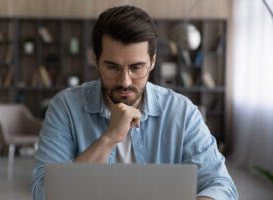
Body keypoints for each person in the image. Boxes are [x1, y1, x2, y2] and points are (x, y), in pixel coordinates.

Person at [30, 5, 238, 200]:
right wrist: (109, 138)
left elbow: (220, 183)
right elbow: (43, 192)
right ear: (96, 61)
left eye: (137, 67)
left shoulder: (181, 112)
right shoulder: (65, 108)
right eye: (112, 67)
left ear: (153, 62)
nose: (125, 81)